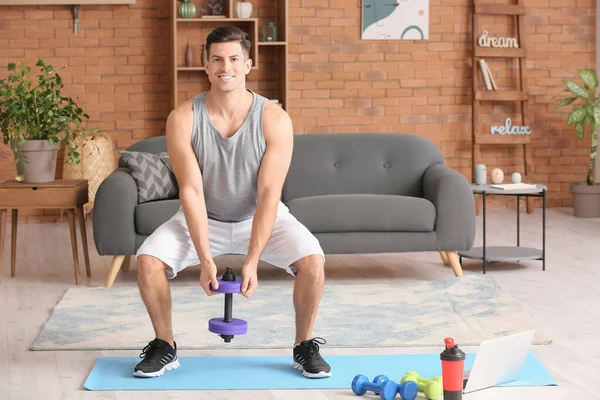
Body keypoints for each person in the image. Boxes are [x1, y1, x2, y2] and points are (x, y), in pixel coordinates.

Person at [132, 26, 331, 379]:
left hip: (260, 215)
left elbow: (270, 194)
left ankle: (304, 345)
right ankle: (165, 344)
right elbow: (190, 191)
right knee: (147, 261)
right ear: (206, 66)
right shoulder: (182, 118)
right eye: (218, 59)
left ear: (248, 64)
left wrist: (252, 260)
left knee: (313, 261)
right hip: (203, 216)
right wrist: (206, 259)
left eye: (234, 59)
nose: (226, 67)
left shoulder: (274, 118)